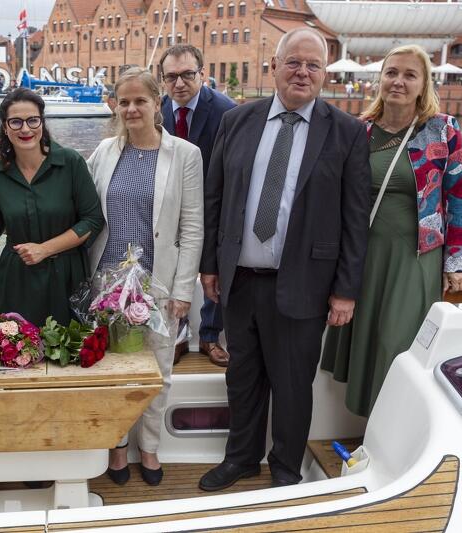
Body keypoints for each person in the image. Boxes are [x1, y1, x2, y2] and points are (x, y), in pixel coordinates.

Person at [198, 27, 370, 491]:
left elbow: (356, 221)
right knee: (243, 378)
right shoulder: (237, 121)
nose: (303, 72)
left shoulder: (348, 133)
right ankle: (241, 459)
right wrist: (210, 265)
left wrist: (345, 290)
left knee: (293, 386)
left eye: (313, 65)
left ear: (324, 74)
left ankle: (286, 467)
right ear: (274, 67)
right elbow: (215, 198)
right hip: (240, 280)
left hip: (305, 284)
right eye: (294, 62)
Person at [321, 44, 462, 417]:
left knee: (394, 343)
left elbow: (458, 197)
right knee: (365, 340)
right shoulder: (359, 131)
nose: (398, 81)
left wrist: (454, 263)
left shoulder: (443, 130)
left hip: (414, 257)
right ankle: (365, 430)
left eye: (409, 75)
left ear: (423, 85)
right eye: (391, 72)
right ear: (380, 79)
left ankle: (389, 433)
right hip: (361, 256)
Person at [87, 67, 202, 486]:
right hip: (106, 283)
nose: (132, 108)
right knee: (111, 370)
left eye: (141, 100)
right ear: (115, 106)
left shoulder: (185, 155)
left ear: (158, 103)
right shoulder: (103, 152)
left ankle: (149, 448)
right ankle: (118, 448)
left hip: (158, 283)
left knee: (159, 370)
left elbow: (192, 227)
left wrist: (184, 289)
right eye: (124, 101)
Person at [0, 87, 104, 326]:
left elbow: (92, 219)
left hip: (67, 277)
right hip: (17, 279)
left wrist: (45, 249)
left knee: (67, 355)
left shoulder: (71, 162)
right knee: (17, 352)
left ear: (42, 121)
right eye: (16, 122)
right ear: (5, 127)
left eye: (33, 120)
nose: (26, 129)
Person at [160, 44, 235, 367]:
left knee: (213, 272)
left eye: (188, 75)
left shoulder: (226, 112)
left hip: (212, 202)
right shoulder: (157, 110)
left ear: (202, 75)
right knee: (172, 267)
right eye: (172, 77)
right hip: (171, 204)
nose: (180, 83)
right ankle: (176, 335)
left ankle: (209, 336)